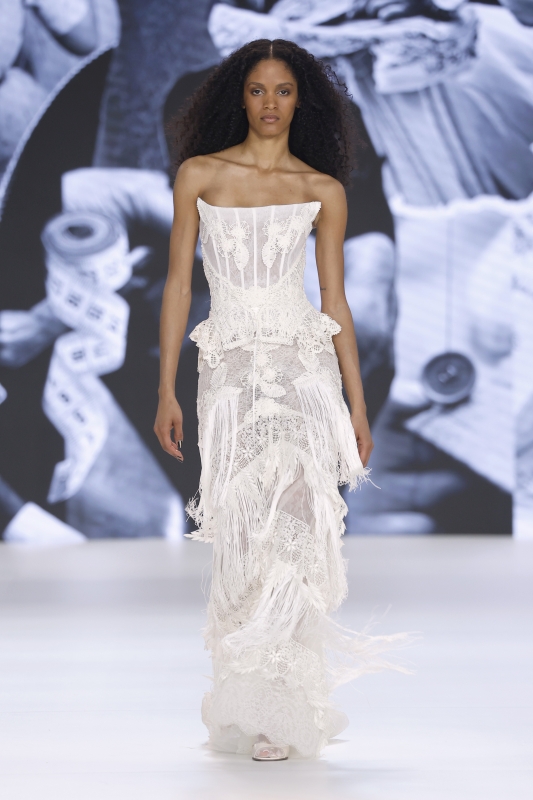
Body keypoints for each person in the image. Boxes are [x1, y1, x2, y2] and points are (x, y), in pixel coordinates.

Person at [154, 39, 406, 761]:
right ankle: (247, 693)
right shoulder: (200, 175)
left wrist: (356, 405)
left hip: (301, 369)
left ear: (303, 101)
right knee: (242, 532)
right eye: (259, 90)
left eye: (284, 91)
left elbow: (334, 301)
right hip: (229, 371)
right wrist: (166, 387)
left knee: (296, 528)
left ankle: (283, 710)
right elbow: (179, 285)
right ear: (240, 96)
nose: (270, 104)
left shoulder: (321, 188)